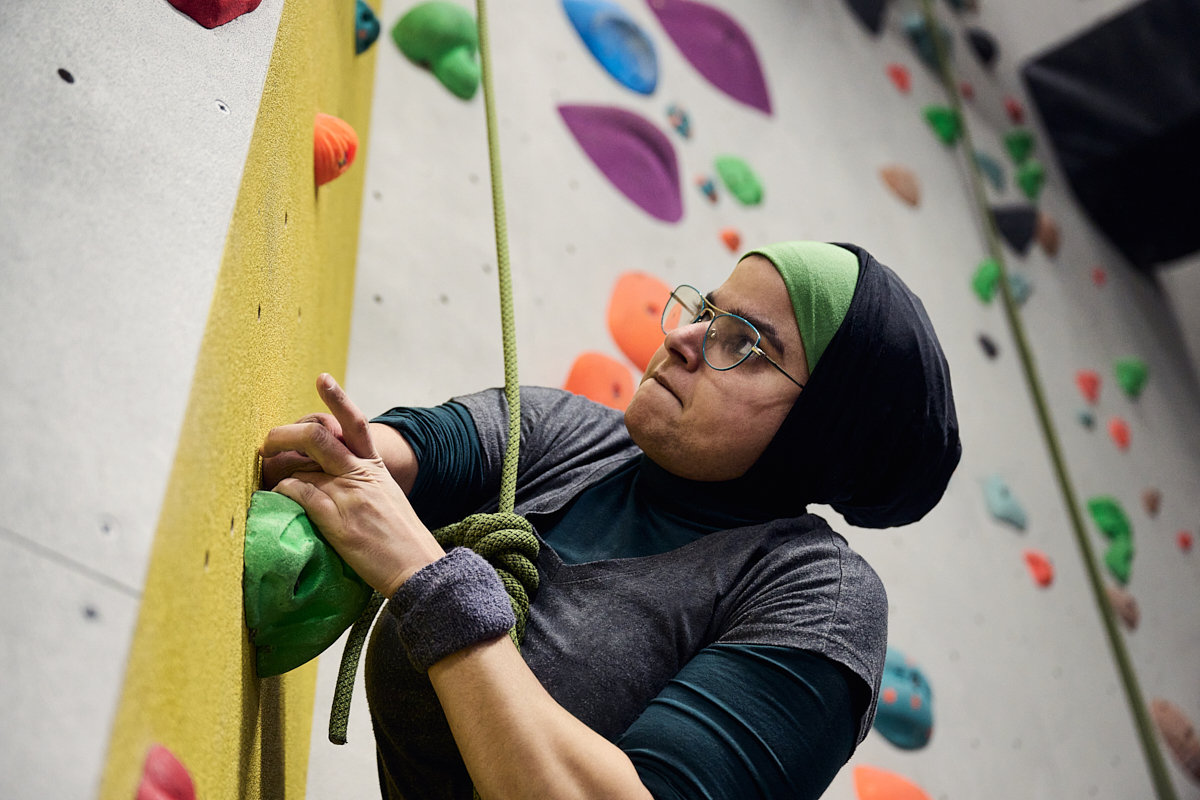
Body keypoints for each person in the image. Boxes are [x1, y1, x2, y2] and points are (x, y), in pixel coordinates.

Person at [261, 241, 960, 800]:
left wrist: (426, 578)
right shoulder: (570, 437)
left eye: (742, 341)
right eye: (705, 312)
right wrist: (343, 458)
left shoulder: (818, 600)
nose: (685, 338)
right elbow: (396, 455)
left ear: (822, 426)